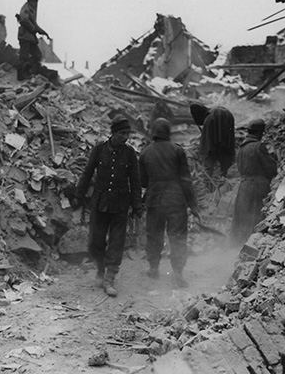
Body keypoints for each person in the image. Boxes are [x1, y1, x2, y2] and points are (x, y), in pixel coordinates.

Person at [74, 115, 142, 297]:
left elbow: (135, 182)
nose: (125, 137)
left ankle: (110, 278)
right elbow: (87, 173)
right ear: (113, 133)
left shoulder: (130, 154)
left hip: (121, 205)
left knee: (117, 242)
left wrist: (137, 206)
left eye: (127, 134)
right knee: (95, 242)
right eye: (122, 133)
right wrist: (79, 195)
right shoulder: (99, 150)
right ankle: (100, 269)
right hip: (100, 203)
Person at [139, 118, 200, 288]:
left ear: (154, 132)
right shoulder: (177, 151)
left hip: (155, 200)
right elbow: (186, 180)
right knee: (178, 237)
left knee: (154, 235)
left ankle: (153, 268)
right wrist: (193, 205)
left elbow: (142, 182)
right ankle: (178, 273)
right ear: (168, 132)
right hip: (176, 200)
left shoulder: (145, 153)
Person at [231, 119, 277, 247]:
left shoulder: (242, 148)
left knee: (242, 217)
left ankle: (237, 245)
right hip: (258, 186)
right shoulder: (259, 147)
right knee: (256, 217)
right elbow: (271, 169)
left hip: (244, 186)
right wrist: (274, 158)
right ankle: (252, 245)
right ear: (259, 132)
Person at [190, 103, 235, 177]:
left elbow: (207, 145)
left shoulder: (209, 118)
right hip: (227, 144)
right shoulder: (222, 111)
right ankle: (224, 178)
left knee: (208, 157)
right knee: (225, 160)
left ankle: (208, 182)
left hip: (214, 121)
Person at [16, 0, 50, 81]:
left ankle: (31, 72)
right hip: (24, 36)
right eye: (34, 1)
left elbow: (35, 25)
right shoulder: (26, 8)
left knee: (37, 55)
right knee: (23, 57)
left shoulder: (32, 10)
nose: (36, 3)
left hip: (30, 38)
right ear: (30, 1)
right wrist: (33, 29)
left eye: (36, 1)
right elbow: (24, 20)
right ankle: (21, 76)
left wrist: (43, 32)